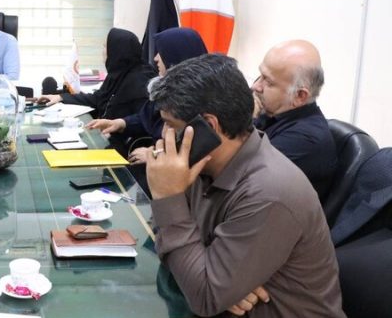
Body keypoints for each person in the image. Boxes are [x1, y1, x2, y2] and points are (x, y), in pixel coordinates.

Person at [146, 54, 344, 317]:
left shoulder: (269, 192)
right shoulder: (202, 163)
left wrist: (167, 197)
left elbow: (204, 296)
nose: (164, 136)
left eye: (170, 125)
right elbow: (167, 242)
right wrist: (218, 282)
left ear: (209, 126)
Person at [86, 28, 207, 195]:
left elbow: (191, 147)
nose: (155, 58)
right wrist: (120, 123)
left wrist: (154, 154)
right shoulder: (164, 86)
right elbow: (147, 116)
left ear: (174, 57)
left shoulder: (196, 99)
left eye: (161, 53)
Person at [252, 39, 337, 203]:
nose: (256, 86)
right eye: (260, 75)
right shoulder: (271, 112)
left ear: (300, 96)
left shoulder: (305, 140)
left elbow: (239, 175)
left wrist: (243, 121)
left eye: (268, 81)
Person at [38, 28, 155, 120]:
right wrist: (61, 97)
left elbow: (140, 122)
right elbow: (97, 99)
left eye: (105, 47)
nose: (102, 52)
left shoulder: (140, 82)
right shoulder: (118, 74)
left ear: (117, 51)